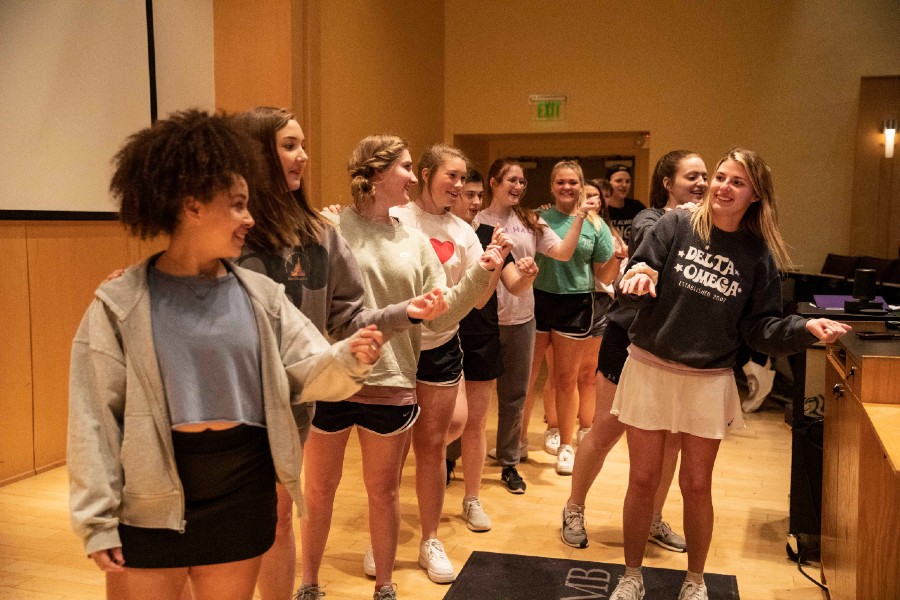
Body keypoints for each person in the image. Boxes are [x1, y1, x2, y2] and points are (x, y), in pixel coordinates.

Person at [66, 110, 383, 600]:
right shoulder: (119, 305)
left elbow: (309, 370)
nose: (249, 219)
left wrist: (349, 360)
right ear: (192, 206)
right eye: (237, 206)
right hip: (150, 499)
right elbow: (92, 420)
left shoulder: (262, 297)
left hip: (242, 491)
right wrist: (97, 519)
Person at [606, 148, 851, 600]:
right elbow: (637, 275)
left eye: (736, 181)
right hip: (650, 367)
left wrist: (805, 329)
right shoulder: (676, 225)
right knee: (642, 480)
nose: (722, 187)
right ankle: (632, 575)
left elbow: (760, 329)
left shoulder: (758, 256)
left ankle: (695, 580)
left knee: (697, 485)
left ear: (755, 194)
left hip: (708, 378)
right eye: (720, 177)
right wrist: (636, 280)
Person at [231, 107, 446, 600]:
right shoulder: (227, 232)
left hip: (292, 406)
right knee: (244, 527)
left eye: (302, 144)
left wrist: (402, 315)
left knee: (281, 518)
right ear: (255, 153)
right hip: (229, 411)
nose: (303, 155)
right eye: (289, 145)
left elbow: (347, 318)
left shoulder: (318, 235)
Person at [298, 135, 501, 600]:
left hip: (391, 381)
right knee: (318, 492)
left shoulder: (413, 240)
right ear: (376, 173)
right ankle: (309, 585)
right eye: (406, 167)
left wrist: (479, 274)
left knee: (383, 493)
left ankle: (385, 588)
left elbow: (442, 311)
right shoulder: (329, 228)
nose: (413, 176)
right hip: (331, 379)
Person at [561, 150, 708, 552]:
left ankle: (653, 518)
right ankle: (574, 507)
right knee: (606, 430)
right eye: (691, 176)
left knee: (671, 441)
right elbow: (649, 261)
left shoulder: (708, 228)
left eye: (704, 176)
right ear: (667, 183)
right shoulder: (651, 219)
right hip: (627, 340)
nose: (701, 184)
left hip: (673, 351)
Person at [390, 144, 509, 583]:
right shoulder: (397, 219)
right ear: (425, 175)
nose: (459, 186)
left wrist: (493, 266)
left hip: (440, 348)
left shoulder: (463, 232)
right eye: (451, 176)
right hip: (397, 347)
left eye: (463, 178)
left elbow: (476, 300)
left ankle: (429, 539)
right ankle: (380, 537)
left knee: (432, 446)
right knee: (392, 449)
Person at [474, 158, 599, 493]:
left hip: (522, 318)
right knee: (476, 395)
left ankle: (510, 461)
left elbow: (560, 253)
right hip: (483, 318)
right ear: (494, 182)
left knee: (515, 393)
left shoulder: (530, 220)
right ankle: (452, 459)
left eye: (522, 182)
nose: (517, 187)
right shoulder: (474, 220)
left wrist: (579, 219)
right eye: (511, 180)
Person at [447, 168, 536, 531]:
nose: (474, 202)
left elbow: (513, 286)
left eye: (477, 196)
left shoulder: (489, 235)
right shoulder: (434, 234)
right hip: (440, 333)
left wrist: (527, 272)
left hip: (481, 334)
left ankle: (472, 498)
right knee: (442, 422)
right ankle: (439, 479)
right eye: (467, 195)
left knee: (475, 422)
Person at [520, 161, 615, 476]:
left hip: (576, 305)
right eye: (560, 182)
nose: (567, 188)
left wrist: (617, 257)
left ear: (581, 184)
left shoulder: (597, 226)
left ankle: (565, 445)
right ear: (551, 186)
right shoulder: (536, 219)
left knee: (566, 378)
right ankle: (517, 441)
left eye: (573, 182)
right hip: (536, 301)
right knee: (527, 378)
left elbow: (603, 274)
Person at [605, 164, 646, 245]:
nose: (624, 185)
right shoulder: (602, 208)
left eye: (627, 181)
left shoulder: (637, 207)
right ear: (608, 183)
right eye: (619, 181)